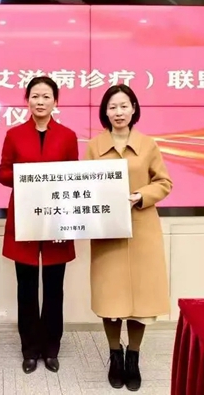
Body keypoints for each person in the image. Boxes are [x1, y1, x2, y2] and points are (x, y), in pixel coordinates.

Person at [85, 84, 172, 391]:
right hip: (107, 231)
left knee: (141, 301)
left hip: (142, 230)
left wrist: (141, 195)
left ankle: (133, 356)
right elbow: (84, 187)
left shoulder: (148, 145)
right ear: (105, 112)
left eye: (124, 106)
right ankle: (115, 355)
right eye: (112, 107)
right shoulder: (94, 146)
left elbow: (164, 182)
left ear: (134, 108)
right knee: (111, 299)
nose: (118, 112)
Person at [0, 76, 79, 374]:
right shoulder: (14, 134)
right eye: (35, 96)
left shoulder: (68, 136)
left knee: (55, 288)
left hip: (58, 217)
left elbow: (73, 177)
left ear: (55, 101)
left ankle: (51, 348)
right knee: (27, 288)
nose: (40, 101)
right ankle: (30, 349)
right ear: (27, 100)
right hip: (25, 218)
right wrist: (30, 176)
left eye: (46, 96)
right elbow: (3, 174)